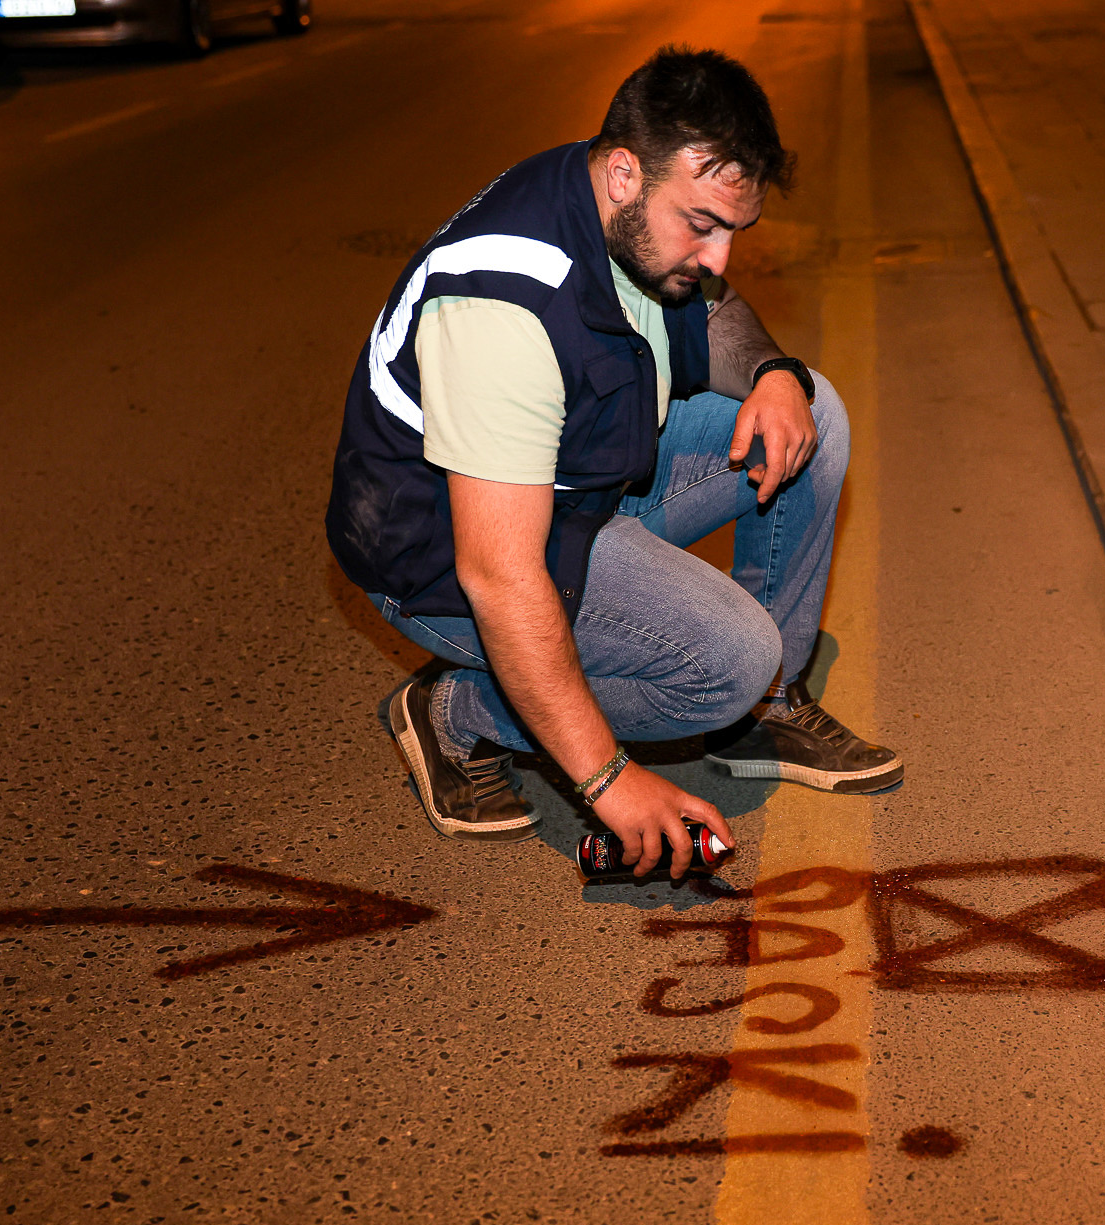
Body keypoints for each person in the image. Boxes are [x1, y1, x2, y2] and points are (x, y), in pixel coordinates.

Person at [325, 46, 901, 879]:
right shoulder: (503, 306)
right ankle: (459, 709)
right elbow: (501, 574)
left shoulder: (623, 213)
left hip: (581, 475)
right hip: (451, 553)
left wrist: (777, 375)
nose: (717, 259)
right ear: (626, 174)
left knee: (814, 413)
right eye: (700, 225)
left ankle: (768, 709)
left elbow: (716, 308)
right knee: (727, 661)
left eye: (734, 231)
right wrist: (610, 779)